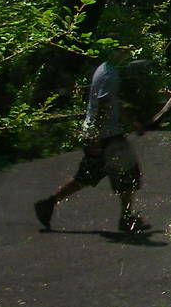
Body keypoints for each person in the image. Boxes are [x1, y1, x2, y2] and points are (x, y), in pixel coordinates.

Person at [34, 47, 153, 234]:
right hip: (106, 136)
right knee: (126, 175)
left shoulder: (107, 69)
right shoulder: (108, 73)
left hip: (105, 134)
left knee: (89, 177)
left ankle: (49, 203)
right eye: (122, 50)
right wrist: (97, 135)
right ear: (113, 51)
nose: (126, 53)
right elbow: (104, 104)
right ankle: (126, 218)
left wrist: (132, 122)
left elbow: (113, 101)